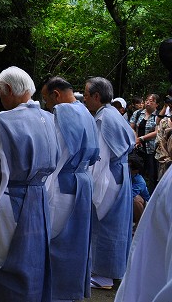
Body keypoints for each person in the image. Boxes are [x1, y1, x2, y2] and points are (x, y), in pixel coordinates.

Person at [0, 67, 58, 302]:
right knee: (34, 259)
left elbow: (0, 173)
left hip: (10, 199)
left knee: (1, 263)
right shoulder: (50, 119)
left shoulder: (3, 122)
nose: (0, 98)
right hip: (41, 197)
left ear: (9, 90)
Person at [41, 77, 99, 302]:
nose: (46, 105)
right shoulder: (86, 111)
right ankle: (72, 290)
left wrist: (44, 190)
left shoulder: (64, 112)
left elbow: (57, 155)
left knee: (59, 241)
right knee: (78, 241)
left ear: (56, 95)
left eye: (46, 99)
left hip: (64, 183)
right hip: (83, 181)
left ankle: (57, 293)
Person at [83, 77, 134, 290]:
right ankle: (114, 270)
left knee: (105, 225)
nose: (84, 99)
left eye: (86, 95)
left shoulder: (103, 119)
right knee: (117, 224)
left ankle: (104, 275)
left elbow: (100, 158)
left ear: (97, 96)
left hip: (110, 176)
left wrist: (92, 187)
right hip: (121, 173)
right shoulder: (113, 113)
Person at [114, 147, 172, 302]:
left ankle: (136, 223)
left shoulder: (139, 181)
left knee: (136, 201)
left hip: (142, 206)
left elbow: (131, 195)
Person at [130, 93, 159, 189]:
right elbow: (131, 127)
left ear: (156, 104)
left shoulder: (158, 116)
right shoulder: (138, 113)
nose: (148, 103)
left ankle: (150, 193)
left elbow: (157, 132)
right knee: (137, 171)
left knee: (151, 174)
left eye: (151, 101)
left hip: (151, 149)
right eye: (147, 100)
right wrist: (136, 138)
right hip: (137, 148)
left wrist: (141, 138)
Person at [128, 155, 150, 228]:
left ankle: (140, 224)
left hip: (144, 206)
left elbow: (130, 195)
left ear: (136, 170)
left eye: (129, 167)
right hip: (129, 206)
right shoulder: (127, 175)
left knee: (135, 199)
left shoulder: (140, 181)